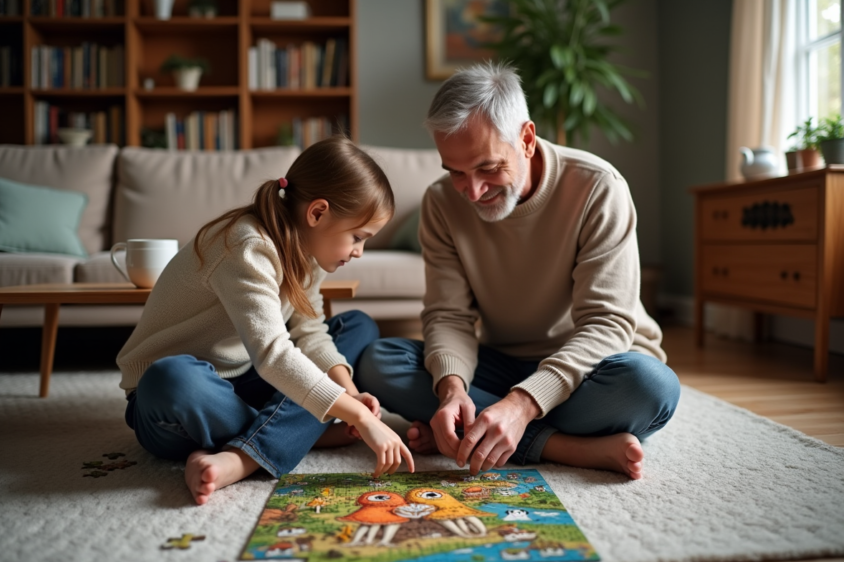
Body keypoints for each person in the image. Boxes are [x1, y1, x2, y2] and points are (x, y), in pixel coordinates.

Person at [358, 63, 680, 480]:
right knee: (379, 361)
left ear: (526, 140)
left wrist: (521, 405)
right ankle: (570, 448)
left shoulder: (599, 187)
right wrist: (452, 390)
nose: (472, 191)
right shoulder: (440, 203)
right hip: (502, 363)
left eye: (488, 168)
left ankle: (506, 431)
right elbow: (449, 315)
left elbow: (607, 323)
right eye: (455, 171)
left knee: (651, 386)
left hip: (592, 366)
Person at [117, 136, 415, 505]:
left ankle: (250, 447)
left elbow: (310, 332)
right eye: (358, 236)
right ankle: (286, 437)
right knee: (170, 378)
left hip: (247, 376)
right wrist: (361, 417)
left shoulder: (308, 250)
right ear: (317, 213)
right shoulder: (245, 245)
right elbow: (273, 354)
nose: (359, 251)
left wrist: (349, 396)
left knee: (357, 327)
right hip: (183, 402)